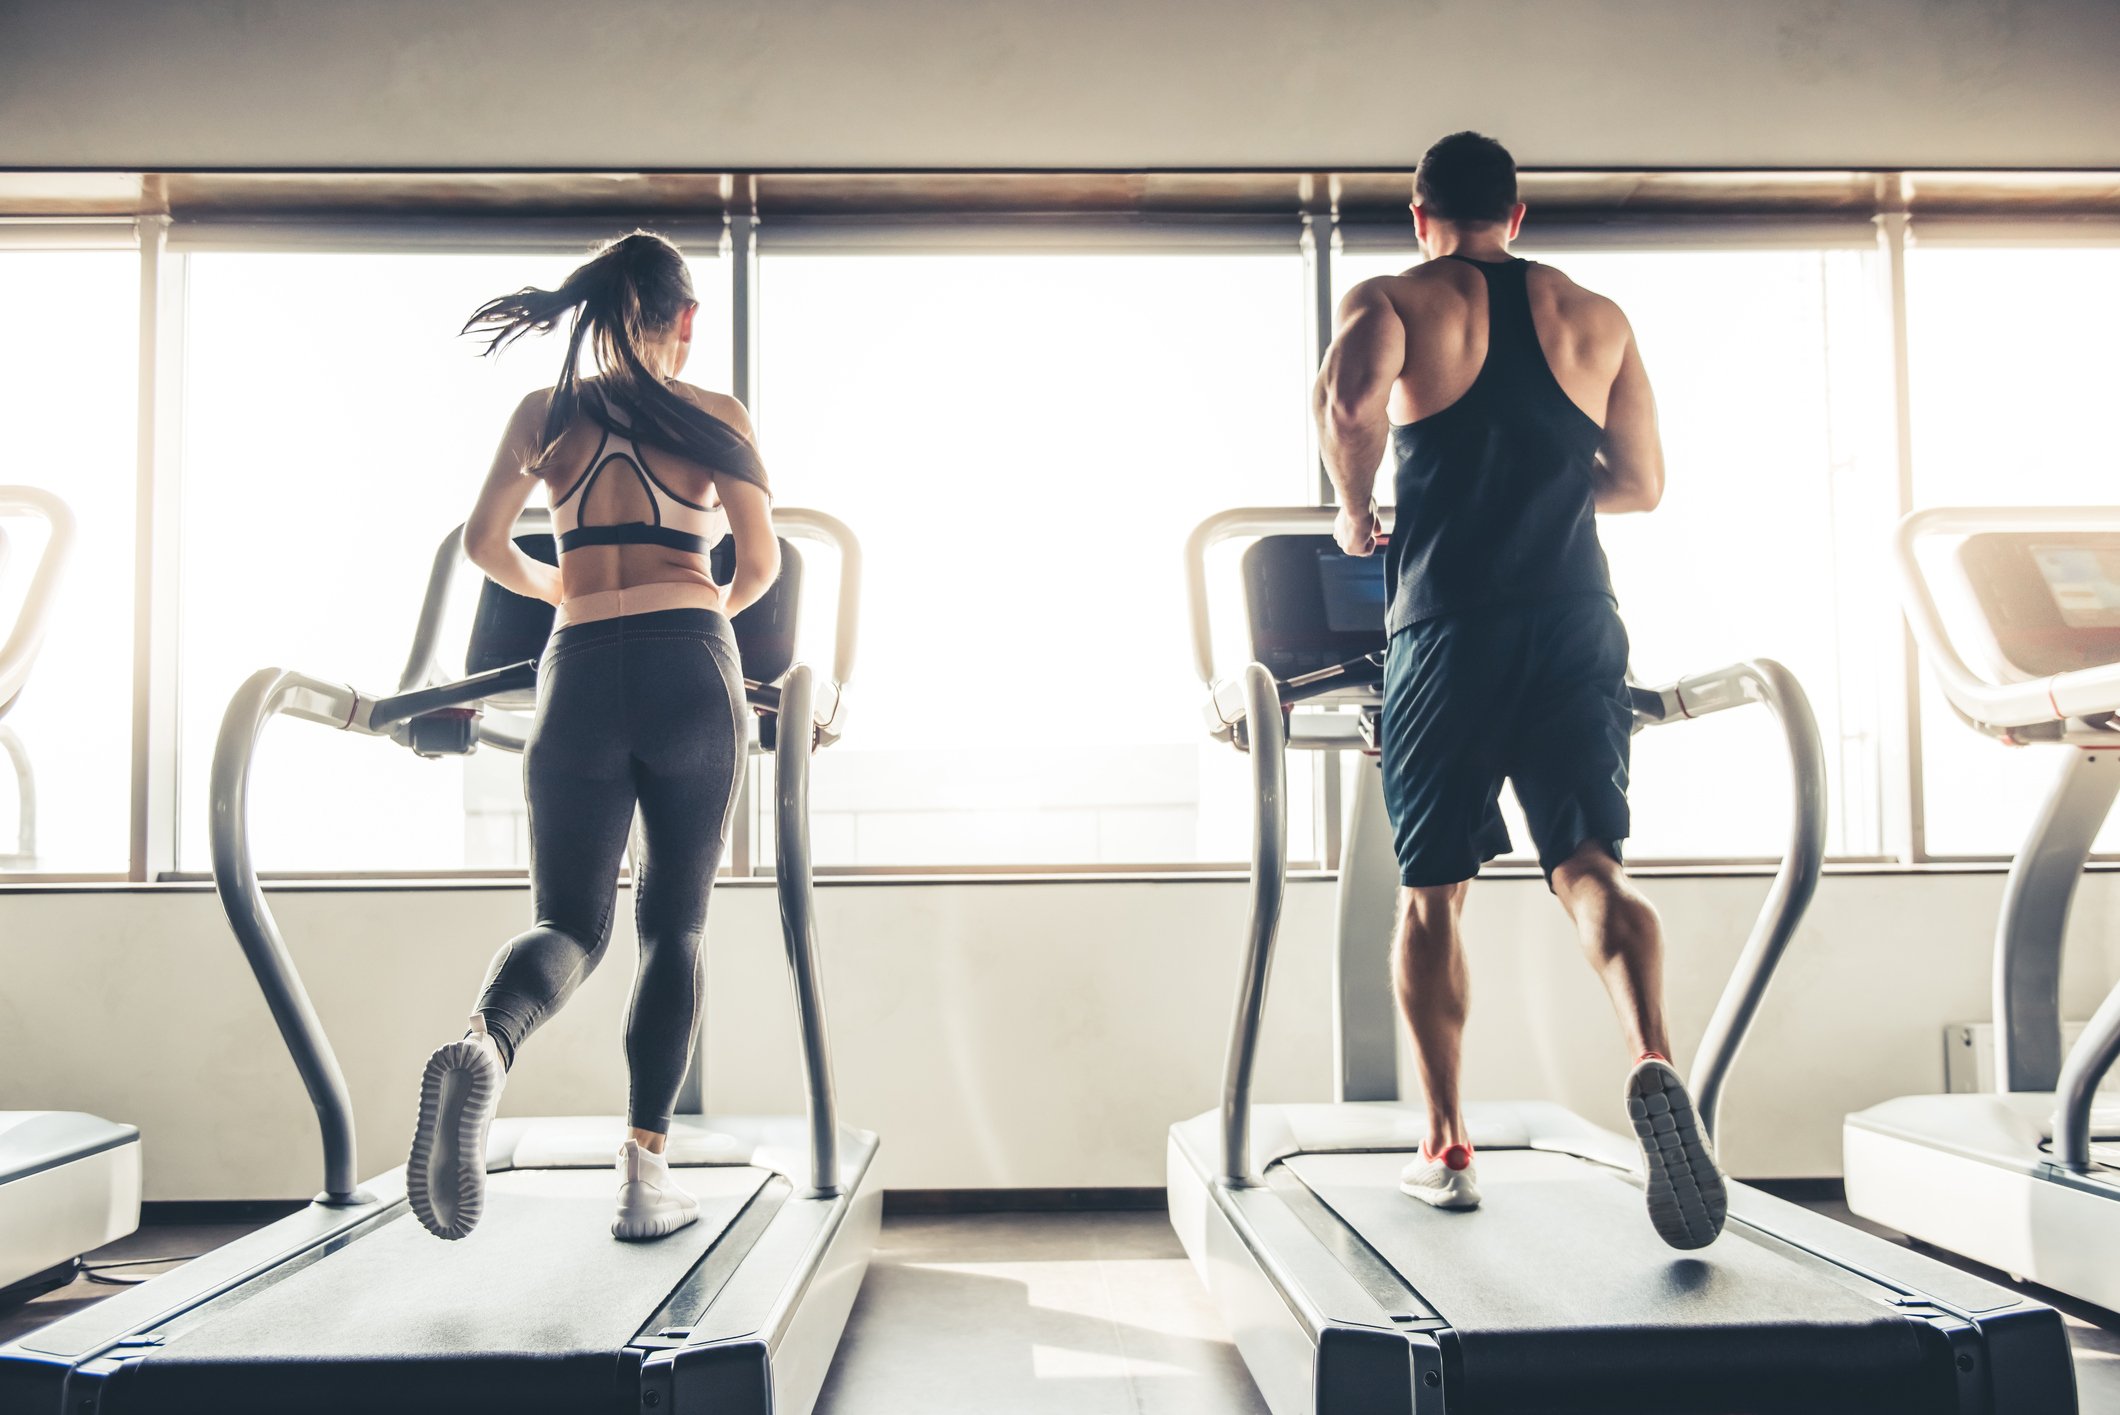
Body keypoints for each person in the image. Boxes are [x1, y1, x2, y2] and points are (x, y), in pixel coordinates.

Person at [1313, 132, 1726, 1250]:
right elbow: (1637, 483)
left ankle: (1445, 1141)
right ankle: (1650, 1055)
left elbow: (1348, 408)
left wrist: (1356, 515)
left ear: (1418, 214)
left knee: (1431, 894)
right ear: (1517, 213)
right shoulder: (1596, 316)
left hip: (1446, 627)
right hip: (1576, 621)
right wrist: (1539, 470)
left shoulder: (1395, 298)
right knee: (1590, 865)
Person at [405, 231, 779, 1243]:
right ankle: (642, 1175)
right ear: (685, 321)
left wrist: (560, 584)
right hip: (689, 656)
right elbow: (758, 562)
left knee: (569, 923)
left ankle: (486, 1042)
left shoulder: (545, 412)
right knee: (674, 928)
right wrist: (706, 615)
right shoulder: (711, 414)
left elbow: (487, 546)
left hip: (575, 665)